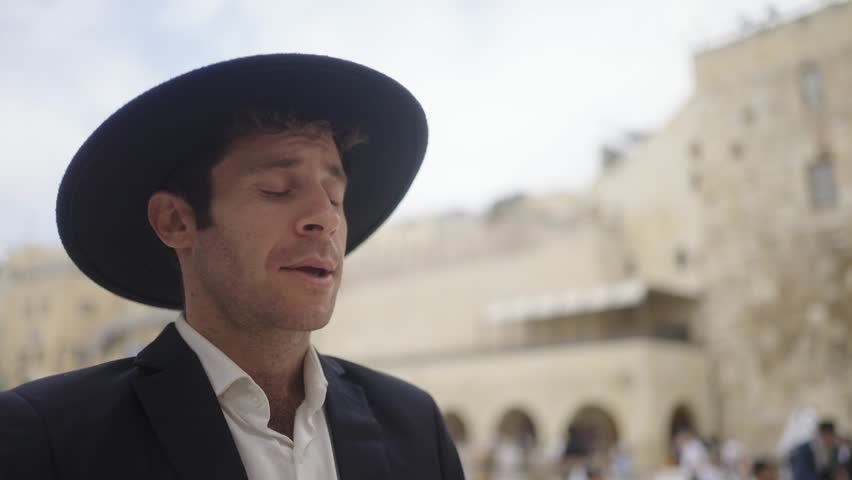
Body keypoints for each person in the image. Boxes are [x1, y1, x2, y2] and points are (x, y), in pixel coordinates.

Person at [0, 54, 465, 479]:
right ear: (176, 221)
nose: (325, 218)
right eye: (278, 189)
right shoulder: (49, 442)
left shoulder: (415, 426)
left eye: (336, 196)